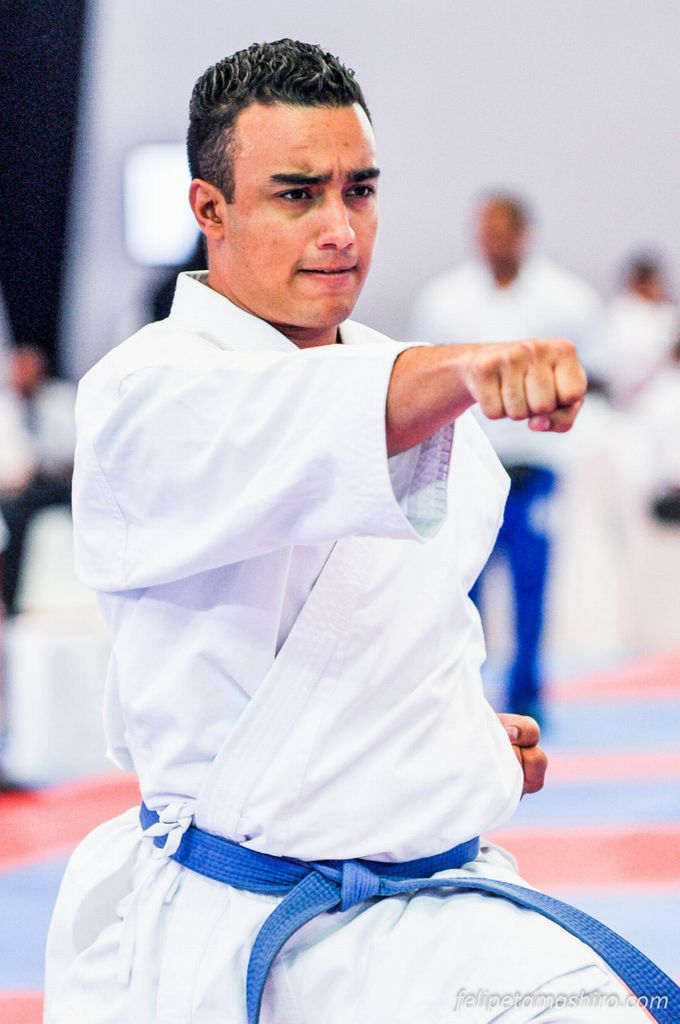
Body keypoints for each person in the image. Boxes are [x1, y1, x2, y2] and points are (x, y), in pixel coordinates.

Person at [44, 40, 671, 1024]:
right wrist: (465, 371)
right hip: (253, 926)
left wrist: (448, 743)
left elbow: (388, 641)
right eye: (297, 195)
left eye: (360, 191)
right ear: (210, 209)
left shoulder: (410, 388)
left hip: (438, 906)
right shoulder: (146, 392)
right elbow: (303, 424)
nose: (340, 229)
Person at [410, 194, 603, 722]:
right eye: (485, 231)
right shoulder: (445, 301)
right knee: (460, 588)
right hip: (465, 469)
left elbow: (593, 379)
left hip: (533, 469)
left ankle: (526, 695)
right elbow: (423, 384)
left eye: (501, 231)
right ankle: (461, 699)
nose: (492, 242)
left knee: (530, 588)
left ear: (523, 234)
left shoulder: (567, 301)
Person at [0, 344, 76, 614]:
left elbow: (77, 449)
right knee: (10, 518)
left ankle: (98, 582)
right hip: (21, 490)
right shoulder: (4, 408)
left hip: (60, 481)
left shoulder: (61, 399)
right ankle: (10, 599)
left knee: (89, 505)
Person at [599, 254, 679, 408]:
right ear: (638, 282)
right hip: (628, 394)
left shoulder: (669, 314)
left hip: (666, 389)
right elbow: (619, 358)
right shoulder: (620, 313)